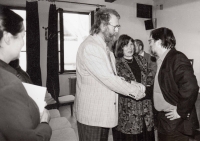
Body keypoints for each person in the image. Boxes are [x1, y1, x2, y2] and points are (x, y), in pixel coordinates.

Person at [75, 8, 146, 141]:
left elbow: (111, 75)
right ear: (102, 25)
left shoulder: (106, 48)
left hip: (102, 115)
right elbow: (107, 79)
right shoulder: (90, 47)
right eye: (115, 26)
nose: (117, 30)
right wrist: (135, 91)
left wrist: (131, 82)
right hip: (92, 117)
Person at [0, 6, 52, 141]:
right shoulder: (8, 85)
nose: (23, 43)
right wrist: (45, 122)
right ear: (7, 37)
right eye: (22, 36)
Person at [149, 27, 199, 141]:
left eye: (150, 41)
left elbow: (191, 87)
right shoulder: (163, 59)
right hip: (164, 119)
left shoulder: (177, 58)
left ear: (159, 42)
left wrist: (180, 111)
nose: (150, 45)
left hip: (174, 120)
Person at [112, 34, 155, 141]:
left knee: (147, 135)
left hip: (146, 106)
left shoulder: (141, 59)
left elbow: (150, 75)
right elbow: (118, 82)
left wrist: (146, 89)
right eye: (125, 45)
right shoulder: (117, 63)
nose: (130, 48)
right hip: (129, 108)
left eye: (131, 44)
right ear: (120, 47)